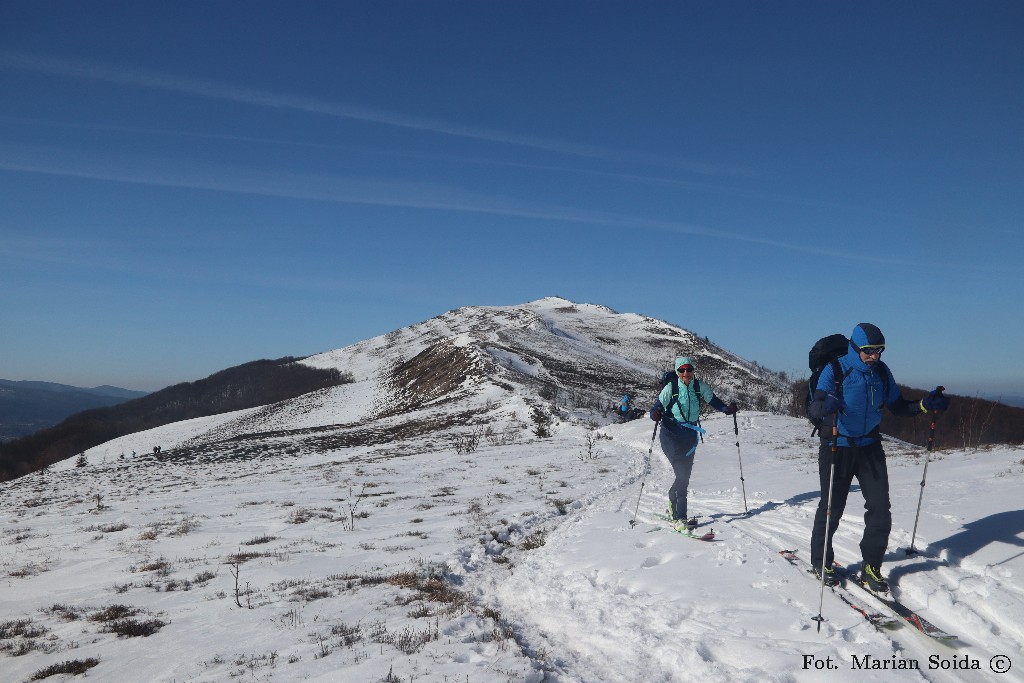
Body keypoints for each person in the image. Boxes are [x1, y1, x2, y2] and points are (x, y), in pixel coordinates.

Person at [808, 323, 949, 592]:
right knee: (831, 508)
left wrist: (924, 405)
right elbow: (816, 408)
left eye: (879, 351)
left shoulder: (881, 373)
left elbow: (898, 407)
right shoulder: (835, 370)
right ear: (855, 347)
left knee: (880, 508)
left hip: (870, 446)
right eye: (868, 351)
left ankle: (871, 565)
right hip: (837, 445)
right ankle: (821, 561)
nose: (874, 356)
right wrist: (825, 406)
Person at [649, 357, 738, 531]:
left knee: (685, 476)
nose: (685, 373)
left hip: (690, 436)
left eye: (689, 370)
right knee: (681, 474)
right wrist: (655, 413)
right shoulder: (671, 388)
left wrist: (727, 409)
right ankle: (679, 517)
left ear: (693, 370)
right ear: (677, 372)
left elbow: (714, 401)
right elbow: (656, 406)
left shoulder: (699, 386)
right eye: (681, 370)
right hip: (670, 434)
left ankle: (671, 499)